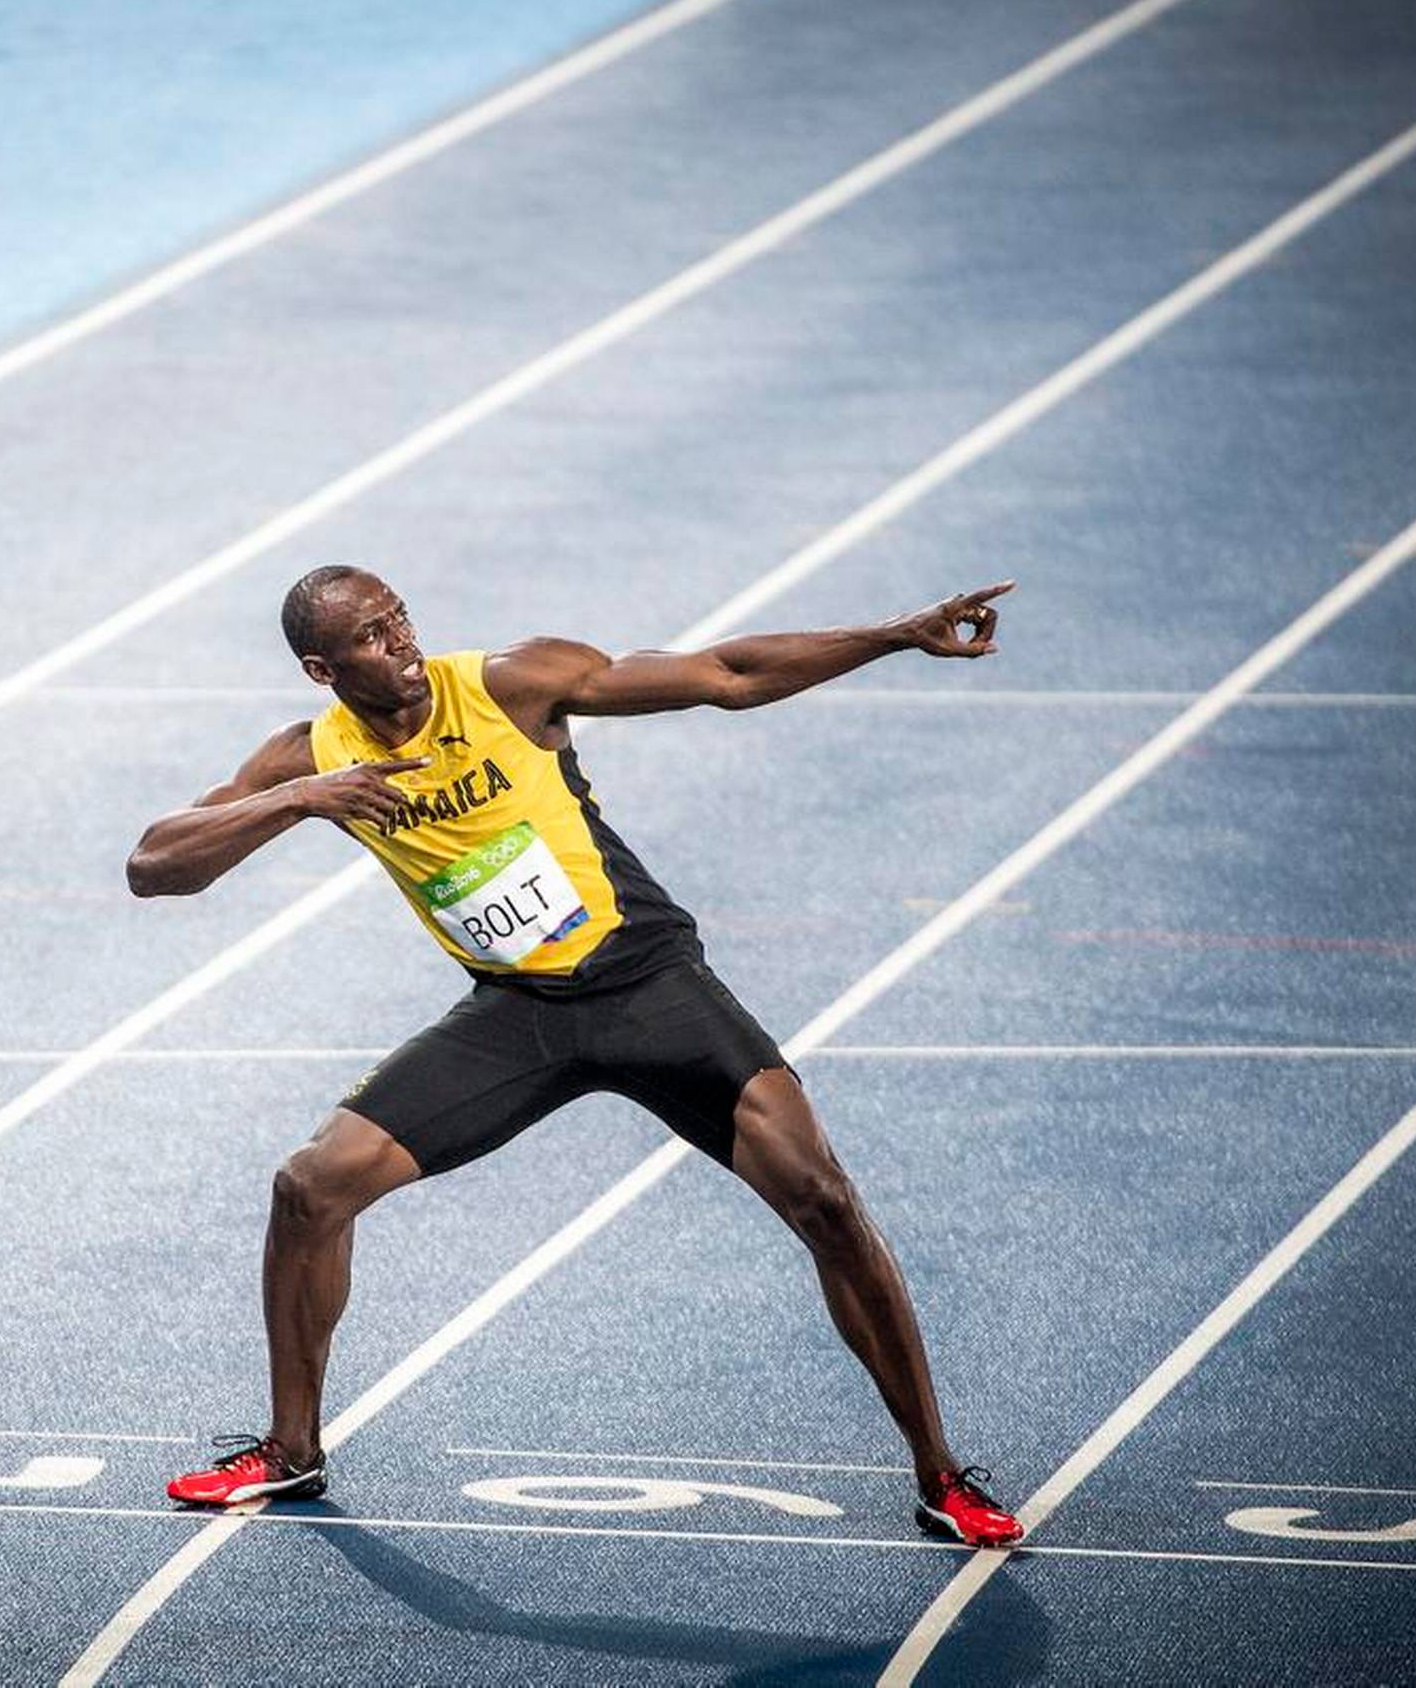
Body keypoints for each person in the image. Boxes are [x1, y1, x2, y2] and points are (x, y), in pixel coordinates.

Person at [126, 565, 1027, 1548]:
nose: (404, 645)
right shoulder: (311, 754)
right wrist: (302, 799)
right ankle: (288, 1451)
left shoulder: (512, 685)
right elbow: (154, 866)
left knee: (823, 1198)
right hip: (519, 1014)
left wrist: (899, 633)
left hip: (648, 987)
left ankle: (941, 1474)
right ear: (320, 668)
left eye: (402, 620)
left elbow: (726, 674)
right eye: (375, 639)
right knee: (309, 1188)